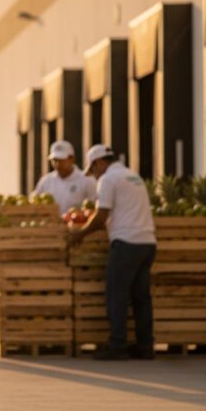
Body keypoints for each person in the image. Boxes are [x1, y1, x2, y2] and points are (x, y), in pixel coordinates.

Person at [69, 144, 157, 360]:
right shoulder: (133, 176)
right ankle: (145, 347)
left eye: (93, 169)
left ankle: (118, 346)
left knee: (116, 295)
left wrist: (79, 234)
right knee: (141, 298)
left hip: (126, 242)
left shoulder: (108, 179)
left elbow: (101, 217)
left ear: (99, 163)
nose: (94, 175)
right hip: (147, 243)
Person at [32, 140, 97, 214]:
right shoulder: (46, 181)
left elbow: (94, 207)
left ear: (72, 159)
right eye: (54, 160)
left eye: (61, 160)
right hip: (50, 225)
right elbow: (34, 203)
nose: (57, 164)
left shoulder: (87, 180)